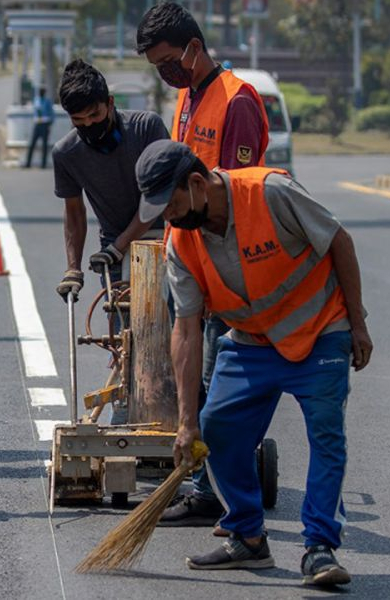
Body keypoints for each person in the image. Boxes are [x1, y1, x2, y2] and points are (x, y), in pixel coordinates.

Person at [135, 140, 372, 586]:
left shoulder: (269, 192)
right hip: (251, 341)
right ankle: (247, 536)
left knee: (326, 435)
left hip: (320, 331)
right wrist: (186, 422)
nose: (168, 217)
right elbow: (185, 331)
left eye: (172, 204)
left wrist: (357, 324)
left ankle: (319, 548)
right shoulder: (181, 245)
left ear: (197, 183)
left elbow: (339, 241)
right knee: (217, 427)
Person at [136, 0, 270, 527]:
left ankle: (211, 491)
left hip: (218, 266)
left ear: (194, 47)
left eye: (169, 61)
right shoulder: (189, 97)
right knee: (191, 375)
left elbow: (234, 198)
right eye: (156, 67)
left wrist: (220, 281)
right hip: (184, 254)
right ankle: (205, 481)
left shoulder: (237, 102)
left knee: (217, 380)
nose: (165, 73)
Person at [51, 60, 170, 421]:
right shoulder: (66, 153)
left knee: (171, 329)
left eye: (95, 115)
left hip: (166, 237)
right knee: (126, 335)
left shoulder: (146, 128)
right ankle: (128, 407)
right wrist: (73, 268)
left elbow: (158, 199)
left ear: (111, 102)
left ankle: (181, 409)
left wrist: (118, 246)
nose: (89, 126)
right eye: (79, 122)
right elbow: (74, 213)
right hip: (116, 249)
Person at [23, 86, 55, 168]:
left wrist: (49, 124)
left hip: (44, 124)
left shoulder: (47, 101)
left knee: (44, 145)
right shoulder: (36, 100)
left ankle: (43, 164)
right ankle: (28, 163)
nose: (40, 93)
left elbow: (52, 114)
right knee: (32, 144)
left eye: (42, 92)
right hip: (37, 124)